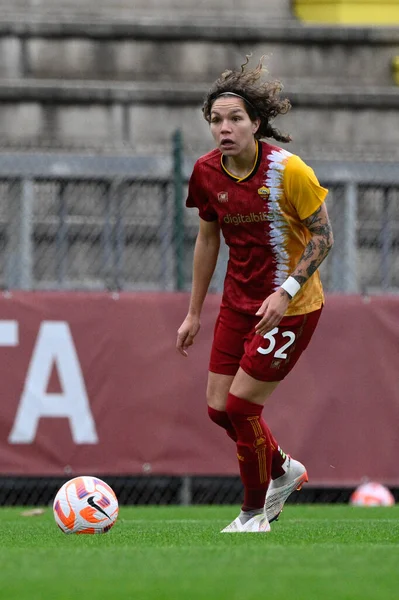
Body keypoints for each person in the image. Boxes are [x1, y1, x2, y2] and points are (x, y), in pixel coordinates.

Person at [176, 56, 334, 533]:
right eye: (216, 120)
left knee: (243, 407)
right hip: (237, 302)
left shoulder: (290, 172)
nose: (224, 128)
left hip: (291, 308)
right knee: (217, 408)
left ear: (256, 123)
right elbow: (207, 240)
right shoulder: (206, 173)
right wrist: (193, 313)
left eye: (235, 119)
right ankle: (283, 468)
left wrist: (286, 292)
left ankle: (253, 515)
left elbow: (324, 237)